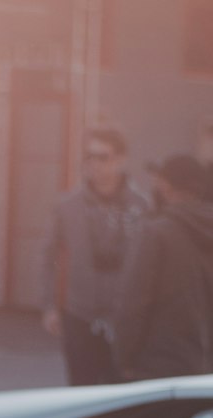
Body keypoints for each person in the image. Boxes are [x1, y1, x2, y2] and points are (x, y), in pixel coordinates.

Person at [41, 128, 149, 385]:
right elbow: (47, 257)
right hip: (79, 312)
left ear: (121, 160)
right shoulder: (68, 205)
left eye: (103, 157)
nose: (95, 165)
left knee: (123, 390)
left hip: (125, 316)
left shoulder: (142, 205)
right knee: (82, 390)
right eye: (89, 157)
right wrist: (49, 306)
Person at [114, 154, 213, 381]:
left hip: (159, 367)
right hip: (206, 371)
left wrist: (124, 359)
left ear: (167, 186)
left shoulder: (155, 233)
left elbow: (132, 304)